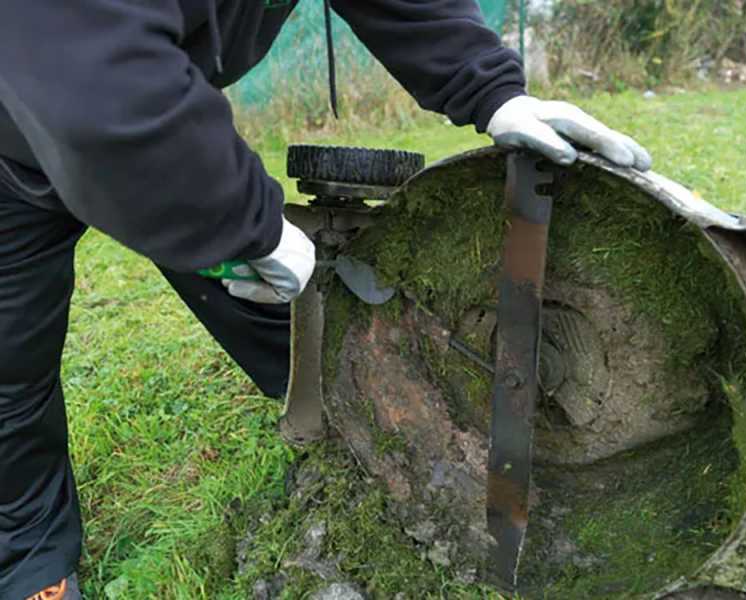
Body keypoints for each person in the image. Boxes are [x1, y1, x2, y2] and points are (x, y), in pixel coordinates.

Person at [0, 1, 650, 598]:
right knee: (9, 367)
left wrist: (489, 87)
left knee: (277, 295)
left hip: (146, 103)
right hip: (27, 122)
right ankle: (32, 567)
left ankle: (349, 422)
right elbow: (83, 72)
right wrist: (238, 219)